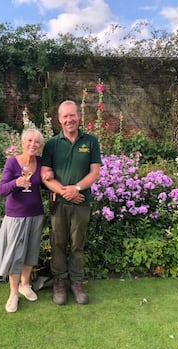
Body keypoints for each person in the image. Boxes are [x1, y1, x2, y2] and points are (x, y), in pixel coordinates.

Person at [41, 100, 101, 305]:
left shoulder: (91, 141)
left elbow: (94, 173)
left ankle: (76, 283)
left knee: (77, 244)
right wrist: (66, 192)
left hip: (81, 201)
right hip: (58, 203)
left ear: (78, 116)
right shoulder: (51, 145)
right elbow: (45, 175)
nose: (69, 120)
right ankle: (59, 282)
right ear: (59, 119)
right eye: (65, 116)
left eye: (72, 115)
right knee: (58, 243)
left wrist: (76, 189)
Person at [0, 127, 52, 313]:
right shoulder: (12, 163)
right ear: (22, 143)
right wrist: (16, 183)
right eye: (29, 141)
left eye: (36, 142)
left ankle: (25, 285)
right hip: (16, 216)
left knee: (31, 252)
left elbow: (46, 181)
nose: (33, 144)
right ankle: (13, 294)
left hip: (36, 214)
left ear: (40, 146)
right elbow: (1, 190)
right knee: (16, 254)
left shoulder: (40, 162)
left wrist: (50, 178)